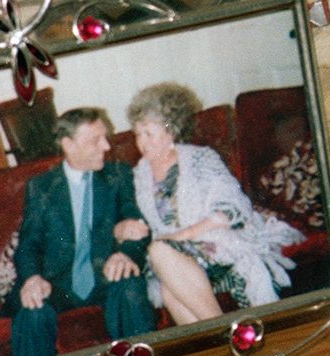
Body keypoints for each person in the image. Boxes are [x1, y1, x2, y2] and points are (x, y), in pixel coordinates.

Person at [126, 81, 299, 324]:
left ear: (170, 130)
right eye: (137, 135)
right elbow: (135, 219)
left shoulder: (199, 159)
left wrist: (186, 233)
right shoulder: (138, 175)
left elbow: (233, 204)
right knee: (166, 288)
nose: (142, 142)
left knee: (159, 252)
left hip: (212, 241)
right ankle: (216, 344)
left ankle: (223, 328)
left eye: (148, 133)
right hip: (175, 255)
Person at [9, 105, 153, 356]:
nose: (107, 146)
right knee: (30, 311)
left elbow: (135, 224)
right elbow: (28, 245)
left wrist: (125, 254)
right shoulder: (41, 187)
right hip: (57, 284)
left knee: (131, 286)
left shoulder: (118, 176)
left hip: (106, 275)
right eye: (96, 140)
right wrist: (31, 278)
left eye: (105, 137)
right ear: (68, 144)